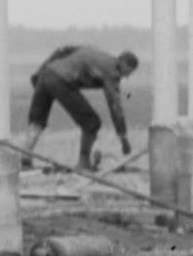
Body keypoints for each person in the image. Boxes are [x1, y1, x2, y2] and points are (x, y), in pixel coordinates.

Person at [23, 43, 141, 171]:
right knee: (92, 122)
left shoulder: (97, 53)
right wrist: (123, 137)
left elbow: (62, 50)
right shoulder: (112, 72)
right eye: (126, 73)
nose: (126, 77)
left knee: (37, 121)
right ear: (121, 64)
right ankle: (84, 164)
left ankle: (24, 159)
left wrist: (39, 73)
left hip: (46, 74)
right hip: (60, 80)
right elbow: (115, 107)